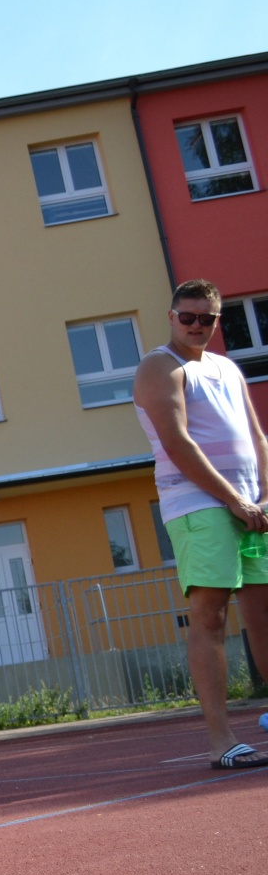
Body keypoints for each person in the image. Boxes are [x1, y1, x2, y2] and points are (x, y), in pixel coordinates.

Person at [133, 279, 268, 770]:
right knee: (211, 616)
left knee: (264, 614)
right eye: (187, 317)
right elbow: (177, 442)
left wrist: (262, 497)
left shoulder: (227, 368)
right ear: (171, 317)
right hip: (199, 504)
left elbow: (257, 436)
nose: (196, 325)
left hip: (251, 506)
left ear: (217, 320)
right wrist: (234, 500)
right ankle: (222, 742)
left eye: (206, 318)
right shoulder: (160, 366)